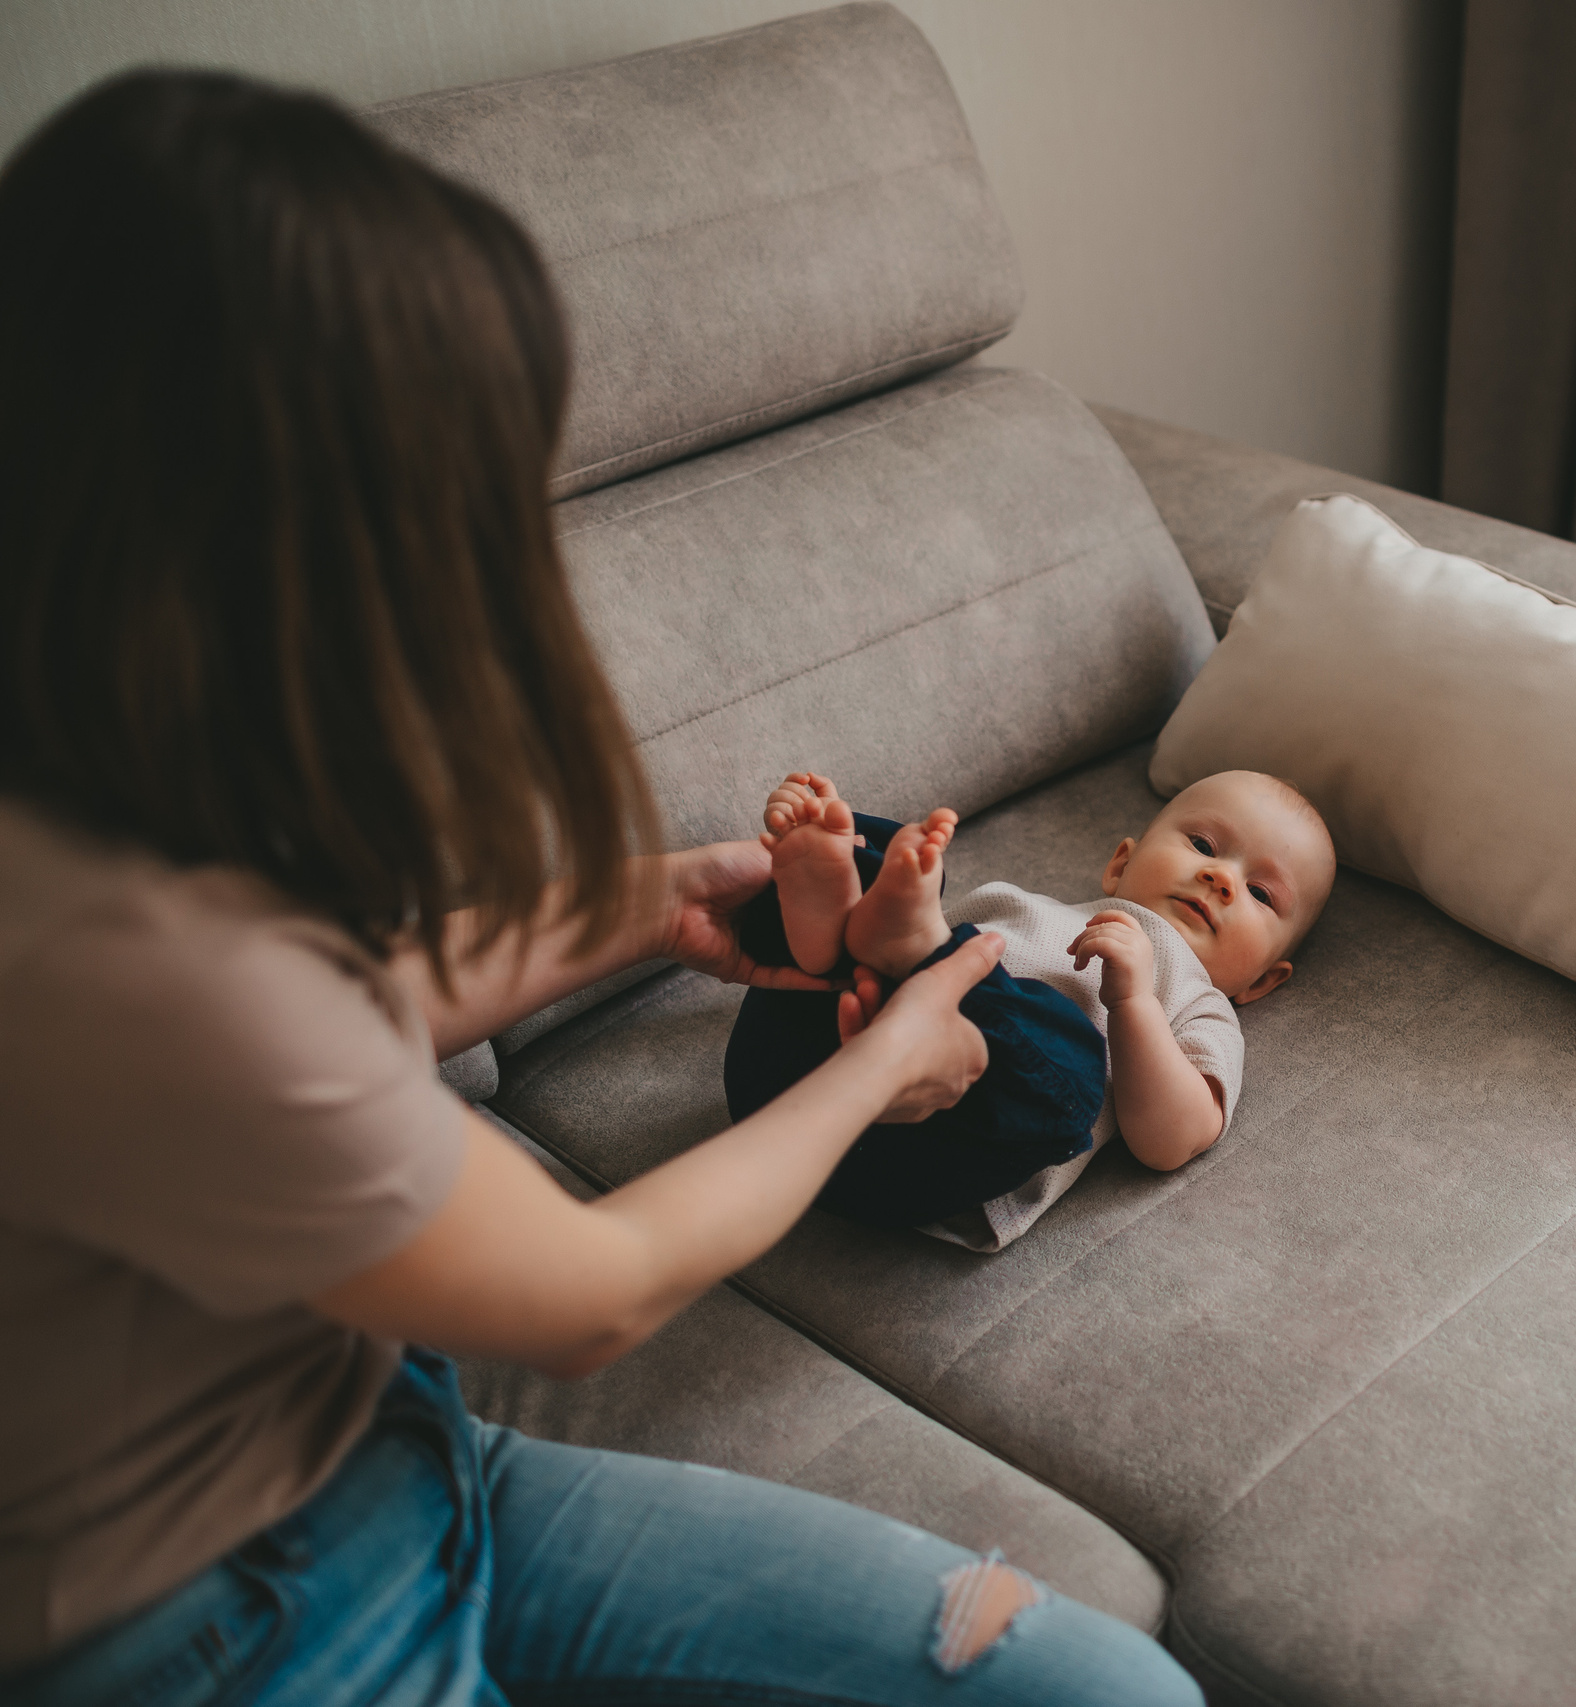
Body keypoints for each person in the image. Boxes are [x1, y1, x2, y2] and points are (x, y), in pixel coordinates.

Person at [0, 68, 1203, 1707]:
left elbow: (324, 1032)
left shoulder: (122, 776)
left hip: (396, 1456)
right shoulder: (117, 953)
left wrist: (641, 906)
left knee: (1117, 1692)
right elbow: (592, 1291)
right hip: (222, 1632)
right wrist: (885, 1060)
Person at [724, 769, 1337, 1249]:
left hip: (928, 1147)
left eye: (1260, 893)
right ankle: (832, 900)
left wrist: (1134, 1004)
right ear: (1121, 865)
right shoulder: (1016, 905)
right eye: (1204, 844)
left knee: (1072, 1057)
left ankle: (895, 943)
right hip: (791, 1068)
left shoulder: (1201, 1006)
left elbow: (1173, 1141)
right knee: (909, 879)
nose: (1221, 878)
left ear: (1261, 982)